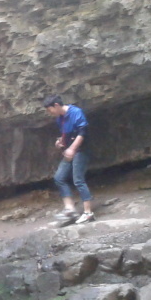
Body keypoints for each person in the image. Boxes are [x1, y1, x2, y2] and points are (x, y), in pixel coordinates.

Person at [42, 95, 94, 224]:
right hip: (70, 151)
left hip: (81, 150)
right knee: (59, 178)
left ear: (56, 105)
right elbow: (66, 135)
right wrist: (60, 142)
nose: (49, 113)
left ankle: (88, 213)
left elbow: (82, 132)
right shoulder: (60, 119)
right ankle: (70, 210)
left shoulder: (76, 112)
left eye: (50, 110)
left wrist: (72, 149)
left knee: (78, 180)